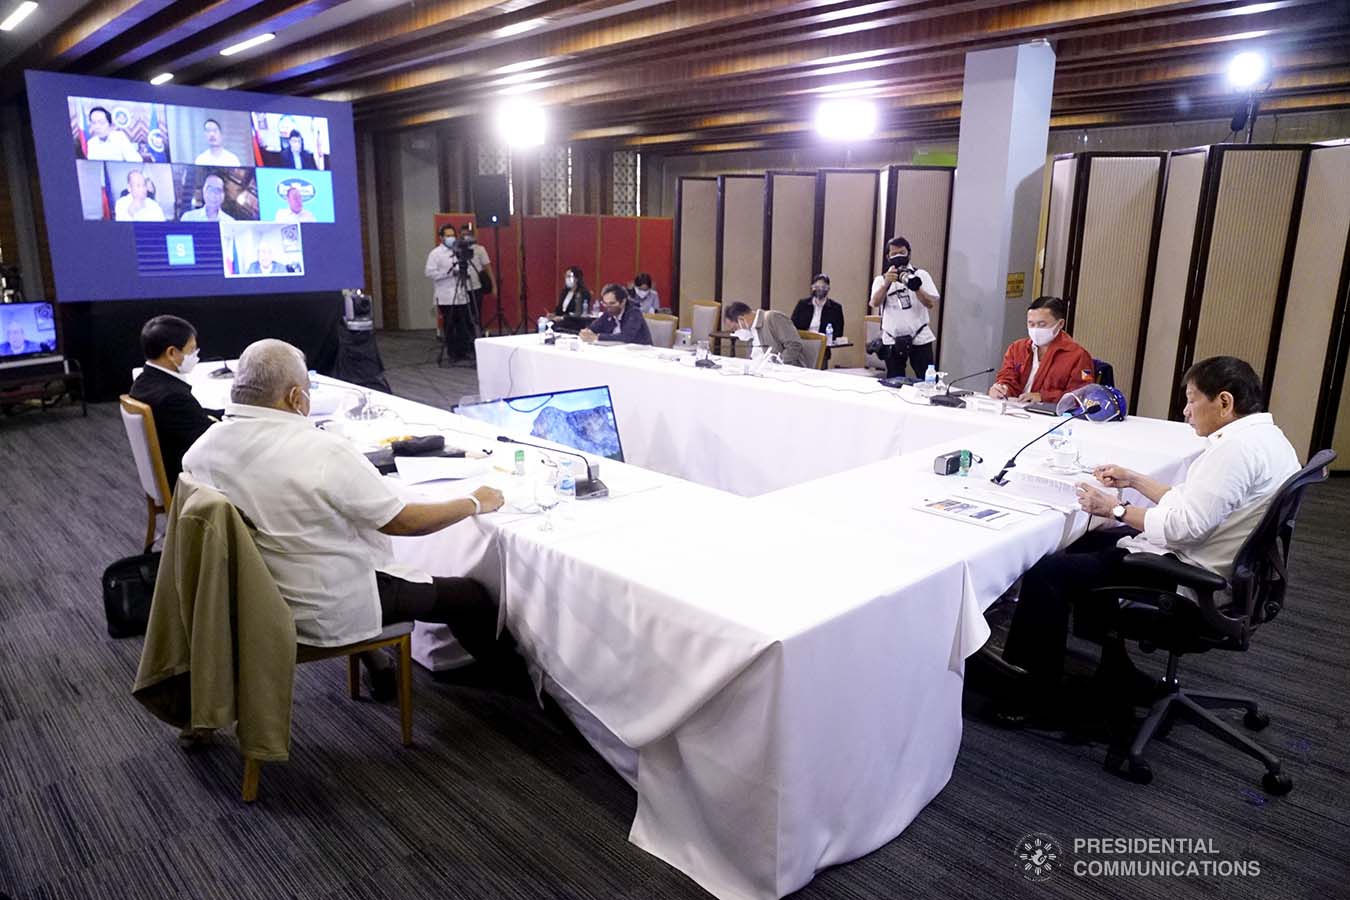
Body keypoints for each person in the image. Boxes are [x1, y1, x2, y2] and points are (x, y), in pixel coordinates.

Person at [181, 339, 515, 699]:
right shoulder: (321, 450)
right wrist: (474, 502)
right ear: (296, 397)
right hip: (322, 601)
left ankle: (379, 664)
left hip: (246, 596)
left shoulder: (201, 450)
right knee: (471, 596)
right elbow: (401, 522)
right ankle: (508, 686)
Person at [997, 356, 1300, 723]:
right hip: (1227, 566)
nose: (1186, 412)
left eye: (1191, 400)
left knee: (1049, 571)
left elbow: (1183, 527)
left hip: (1190, 575)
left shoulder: (1234, 451)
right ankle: (1114, 667)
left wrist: (1116, 510)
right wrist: (1135, 480)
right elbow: (1195, 503)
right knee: (1088, 543)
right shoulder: (1269, 438)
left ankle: (1032, 695)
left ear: (1224, 402)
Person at [129, 315, 221, 492]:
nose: (196, 355)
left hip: (169, 467)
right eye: (192, 350)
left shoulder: (144, 381)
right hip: (187, 483)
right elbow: (211, 440)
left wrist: (225, 413)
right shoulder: (173, 397)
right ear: (171, 353)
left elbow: (196, 416)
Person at [989, 296, 1095, 403]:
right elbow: (1008, 377)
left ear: (1060, 324)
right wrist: (1002, 388)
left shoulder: (1078, 356)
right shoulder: (1016, 348)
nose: (1035, 329)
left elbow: (1082, 394)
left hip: (1052, 415)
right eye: (1031, 324)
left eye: (1042, 324)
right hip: (1016, 409)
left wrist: (1044, 397)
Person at [868, 236, 939, 379]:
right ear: (888, 256)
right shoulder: (881, 279)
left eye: (902, 252)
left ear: (909, 253)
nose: (898, 256)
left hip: (920, 338)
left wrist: (915, 286)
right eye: (894, 254)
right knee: (894, 383)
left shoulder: (921, 275)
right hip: (891, 339)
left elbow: (930, 303)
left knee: (928, 380)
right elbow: (874, 303)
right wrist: (887, 283)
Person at [425, 224, 478, 362]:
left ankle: (463, 351)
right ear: (441, 237)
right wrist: (448, 274)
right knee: (450, 325)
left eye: (452, 235)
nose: (451, 238)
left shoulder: (459, 251)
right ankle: (452, 352)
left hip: (461, 294)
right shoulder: (435, 253)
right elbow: (429, 272)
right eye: (447, 235)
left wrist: (465, 273)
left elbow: (469, 269)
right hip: (445, 296)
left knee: (462, 324)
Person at [724, 301, 808, 367]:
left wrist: (779, 365)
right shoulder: (750, 332)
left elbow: (794, 345)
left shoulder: (772, 318)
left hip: (783, 372)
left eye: (735, 328)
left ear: (741, 319)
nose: (736, 333)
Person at [792, 273, 844, 365]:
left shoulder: (835, 308)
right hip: (802, 345)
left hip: (822, 348)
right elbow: (792, 326)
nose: (820, 289)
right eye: (817, 286)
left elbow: (839, 331)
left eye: (823, 286)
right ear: (812, 287)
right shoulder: (802, 304)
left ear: (828, 289)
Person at [580, 284, 653, 345]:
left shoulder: (634, 313)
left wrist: (598, 337)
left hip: (639, 353)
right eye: (605, 303)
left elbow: (626, 337)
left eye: (612, 303)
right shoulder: (609, 312)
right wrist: (587, 332)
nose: (608, 307)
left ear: (623, 302)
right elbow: (594, 327)